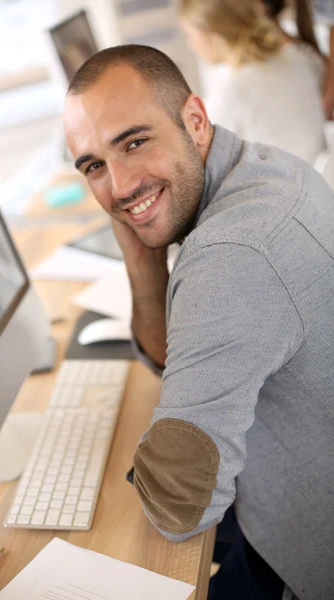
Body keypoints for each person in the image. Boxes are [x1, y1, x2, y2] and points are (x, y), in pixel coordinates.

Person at [63, 45, 334, 600]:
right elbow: (175, 355)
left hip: (302, 553)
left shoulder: (232, 255)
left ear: (194, 120)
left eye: (134, 142)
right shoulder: (265, 165)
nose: (117, 185)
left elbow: (181, 509)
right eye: (94, 166)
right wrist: (140, 249)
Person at [179, 0, 326, 165]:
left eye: (189, 35)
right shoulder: (303, 58)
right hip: (319, 178)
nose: (190, 45)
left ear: (212, 35)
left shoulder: (231, 93)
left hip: (280, 185)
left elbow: (209, 164)